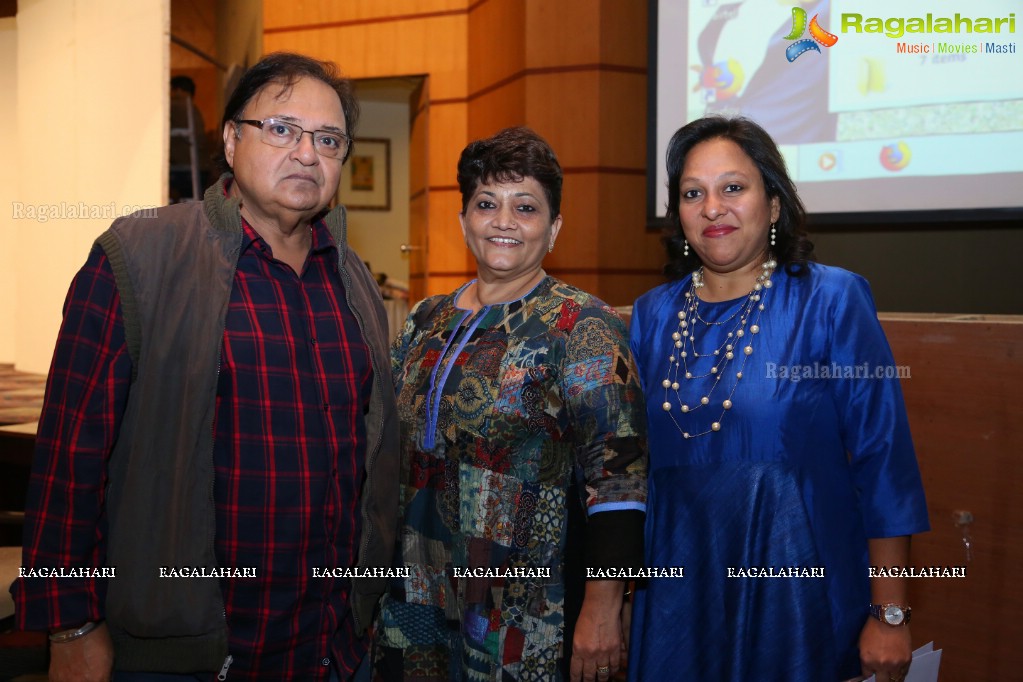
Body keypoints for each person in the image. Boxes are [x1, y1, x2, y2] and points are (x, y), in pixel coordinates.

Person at [13, 52, 399, 681]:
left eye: (328, 139)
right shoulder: (139, 256)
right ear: (229, 138)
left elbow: (370, 459)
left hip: (326, 646)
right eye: (281, 128)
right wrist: (71, 626)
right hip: (183, 653)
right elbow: (67, 458)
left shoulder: (351, 280)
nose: (307, 153)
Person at [627, 116, 929, 682]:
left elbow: (883, 461)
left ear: (773, 205)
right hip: (677, 595)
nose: (713, 207)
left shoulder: (832, 298)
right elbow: (626, 473)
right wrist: (613, 597)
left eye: (733, 188)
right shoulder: (650, 316)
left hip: (798, 593)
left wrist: (890, 614)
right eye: (693, 193)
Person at [371, 127, 648, 681]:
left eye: (525, 207)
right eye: (486, 204)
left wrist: (603, 607)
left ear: (553, 229)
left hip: (524, 608)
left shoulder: (582, 326)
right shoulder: (425, 320)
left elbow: (620, 485)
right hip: (414, 590)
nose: (503, 221)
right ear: (463, 220)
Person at [169, 75, 211, 201]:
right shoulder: (194, 110)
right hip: (200, 170)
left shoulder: (174, 106)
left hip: (181, 171)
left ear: (178, 90)